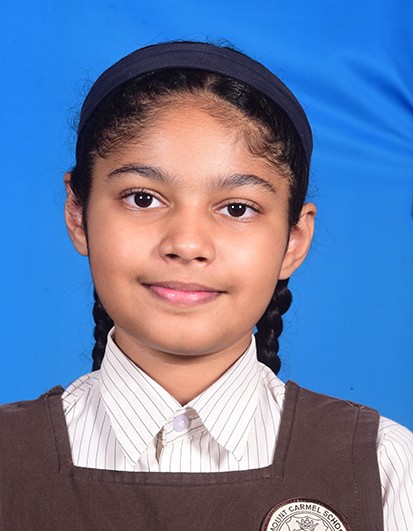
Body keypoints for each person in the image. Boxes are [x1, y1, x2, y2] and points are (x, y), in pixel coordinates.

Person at [0, 41, 412, 531]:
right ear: (78, 213)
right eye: (143, 198)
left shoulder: (383, 466)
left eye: (237, 208)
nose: (187, 244)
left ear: (294, 240)